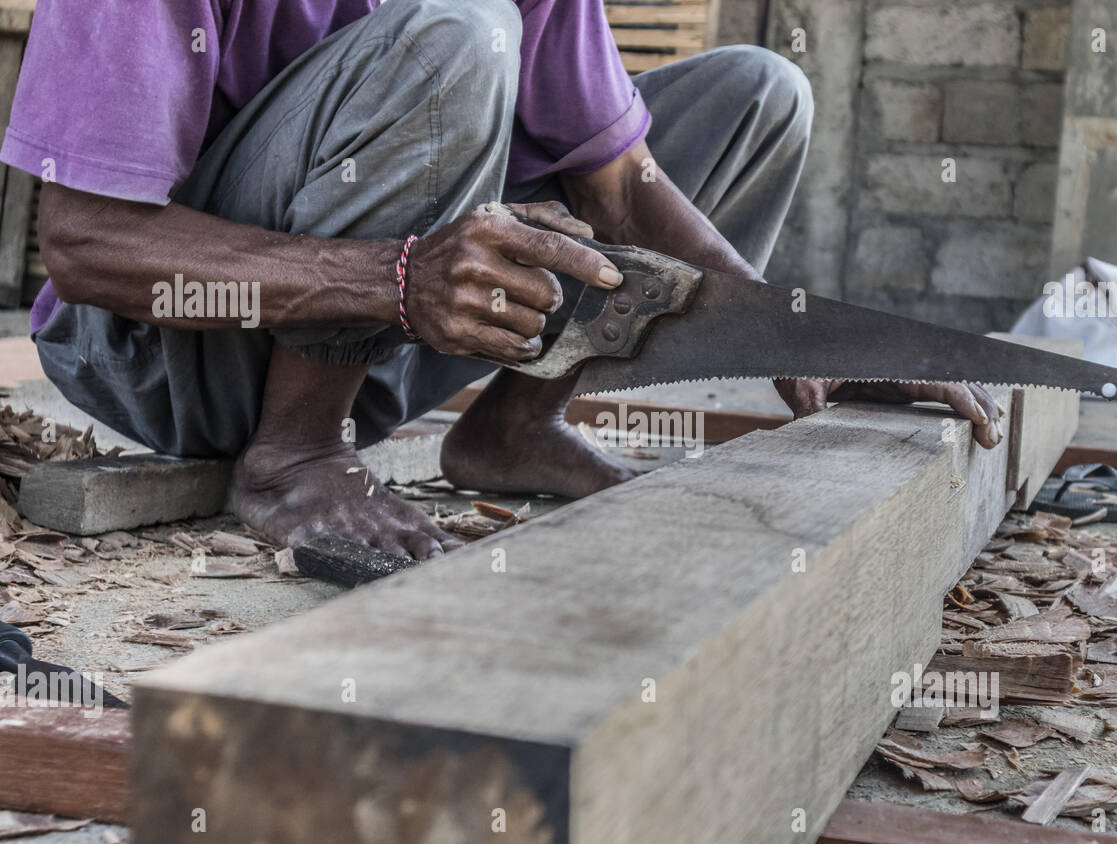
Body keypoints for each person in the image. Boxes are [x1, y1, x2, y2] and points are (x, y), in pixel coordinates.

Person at [2, 0, 1004, 559]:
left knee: (754, 97)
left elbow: (621, 193)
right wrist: (395, 278)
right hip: (163, 354)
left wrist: (802, 332)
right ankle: (295, 450)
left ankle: (513, 427)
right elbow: (87, 243)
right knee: (458, 35)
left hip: (388, 344)